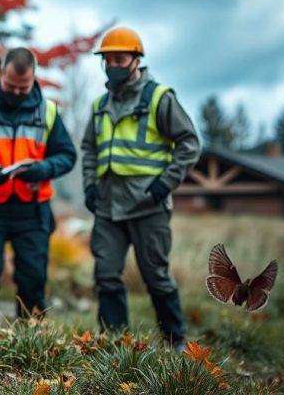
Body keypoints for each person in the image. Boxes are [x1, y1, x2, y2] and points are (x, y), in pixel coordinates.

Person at [80, 26, 201, 351]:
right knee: (106, 276)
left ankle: (176, 343)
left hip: (149, 206)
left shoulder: (159, 98)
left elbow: (189, 143)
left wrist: (166, 183)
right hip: (107, 207)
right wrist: (89, 185)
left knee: (156, 277)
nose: (113, 66)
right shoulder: (99, 105)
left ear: (136, 60)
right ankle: (114, 346)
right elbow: (89, 148)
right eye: (107, 60)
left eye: (119, 59)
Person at [0, 47, 78, 338]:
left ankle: (28, 340)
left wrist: (43, 169)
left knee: (33, 278)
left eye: (24, 88)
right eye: (10, 87)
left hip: (32, 209)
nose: (17, 93)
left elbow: (67, 156)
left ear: (33, 80)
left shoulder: (49, 112)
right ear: (0, 75)